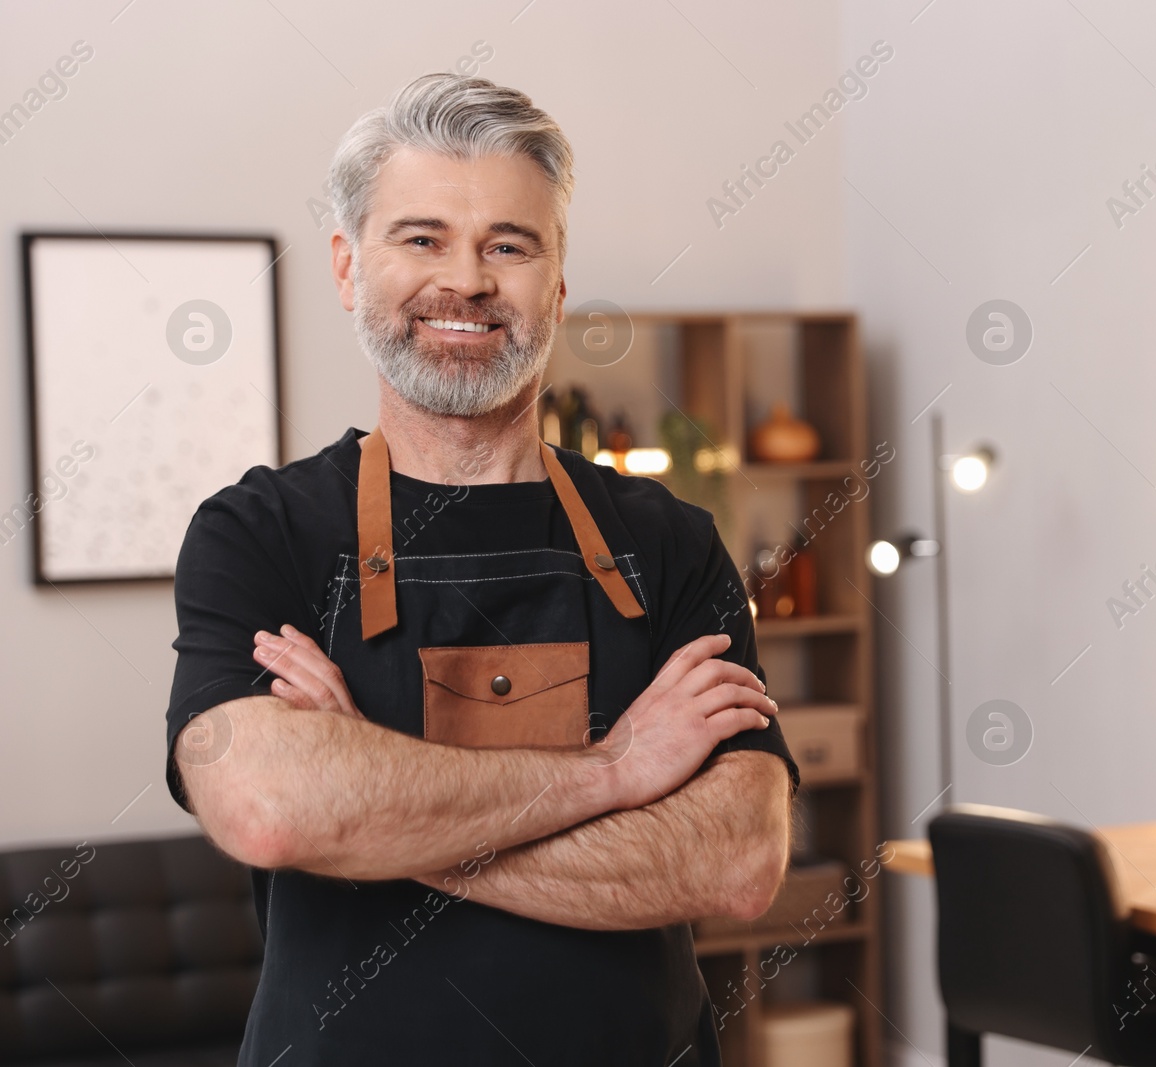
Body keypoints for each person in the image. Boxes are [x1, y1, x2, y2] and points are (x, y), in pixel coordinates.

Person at [163, 71, 799, 1066]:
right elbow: (266, 804)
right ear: (346, 267)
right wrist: (617, 770)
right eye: (421, 239)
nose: (464, 280)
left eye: (508, 244)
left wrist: (370, 811)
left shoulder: (669, 540)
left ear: (554, 280)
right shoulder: (260, 532)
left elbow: (735, 859)